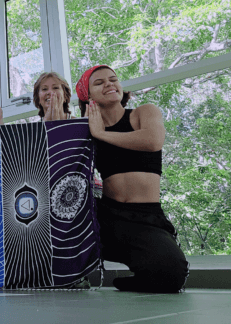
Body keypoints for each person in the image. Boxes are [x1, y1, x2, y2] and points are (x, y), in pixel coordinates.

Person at [76, 64, 189, 293]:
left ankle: (130, 278)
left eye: (113, 79)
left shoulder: (143, 113)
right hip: (106, 216)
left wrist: (102, 134)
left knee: (172, 274)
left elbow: (153, 140)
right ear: (88, 97)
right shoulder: (88, 130)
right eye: (99, 83)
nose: (109, 84)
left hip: (146, 217)